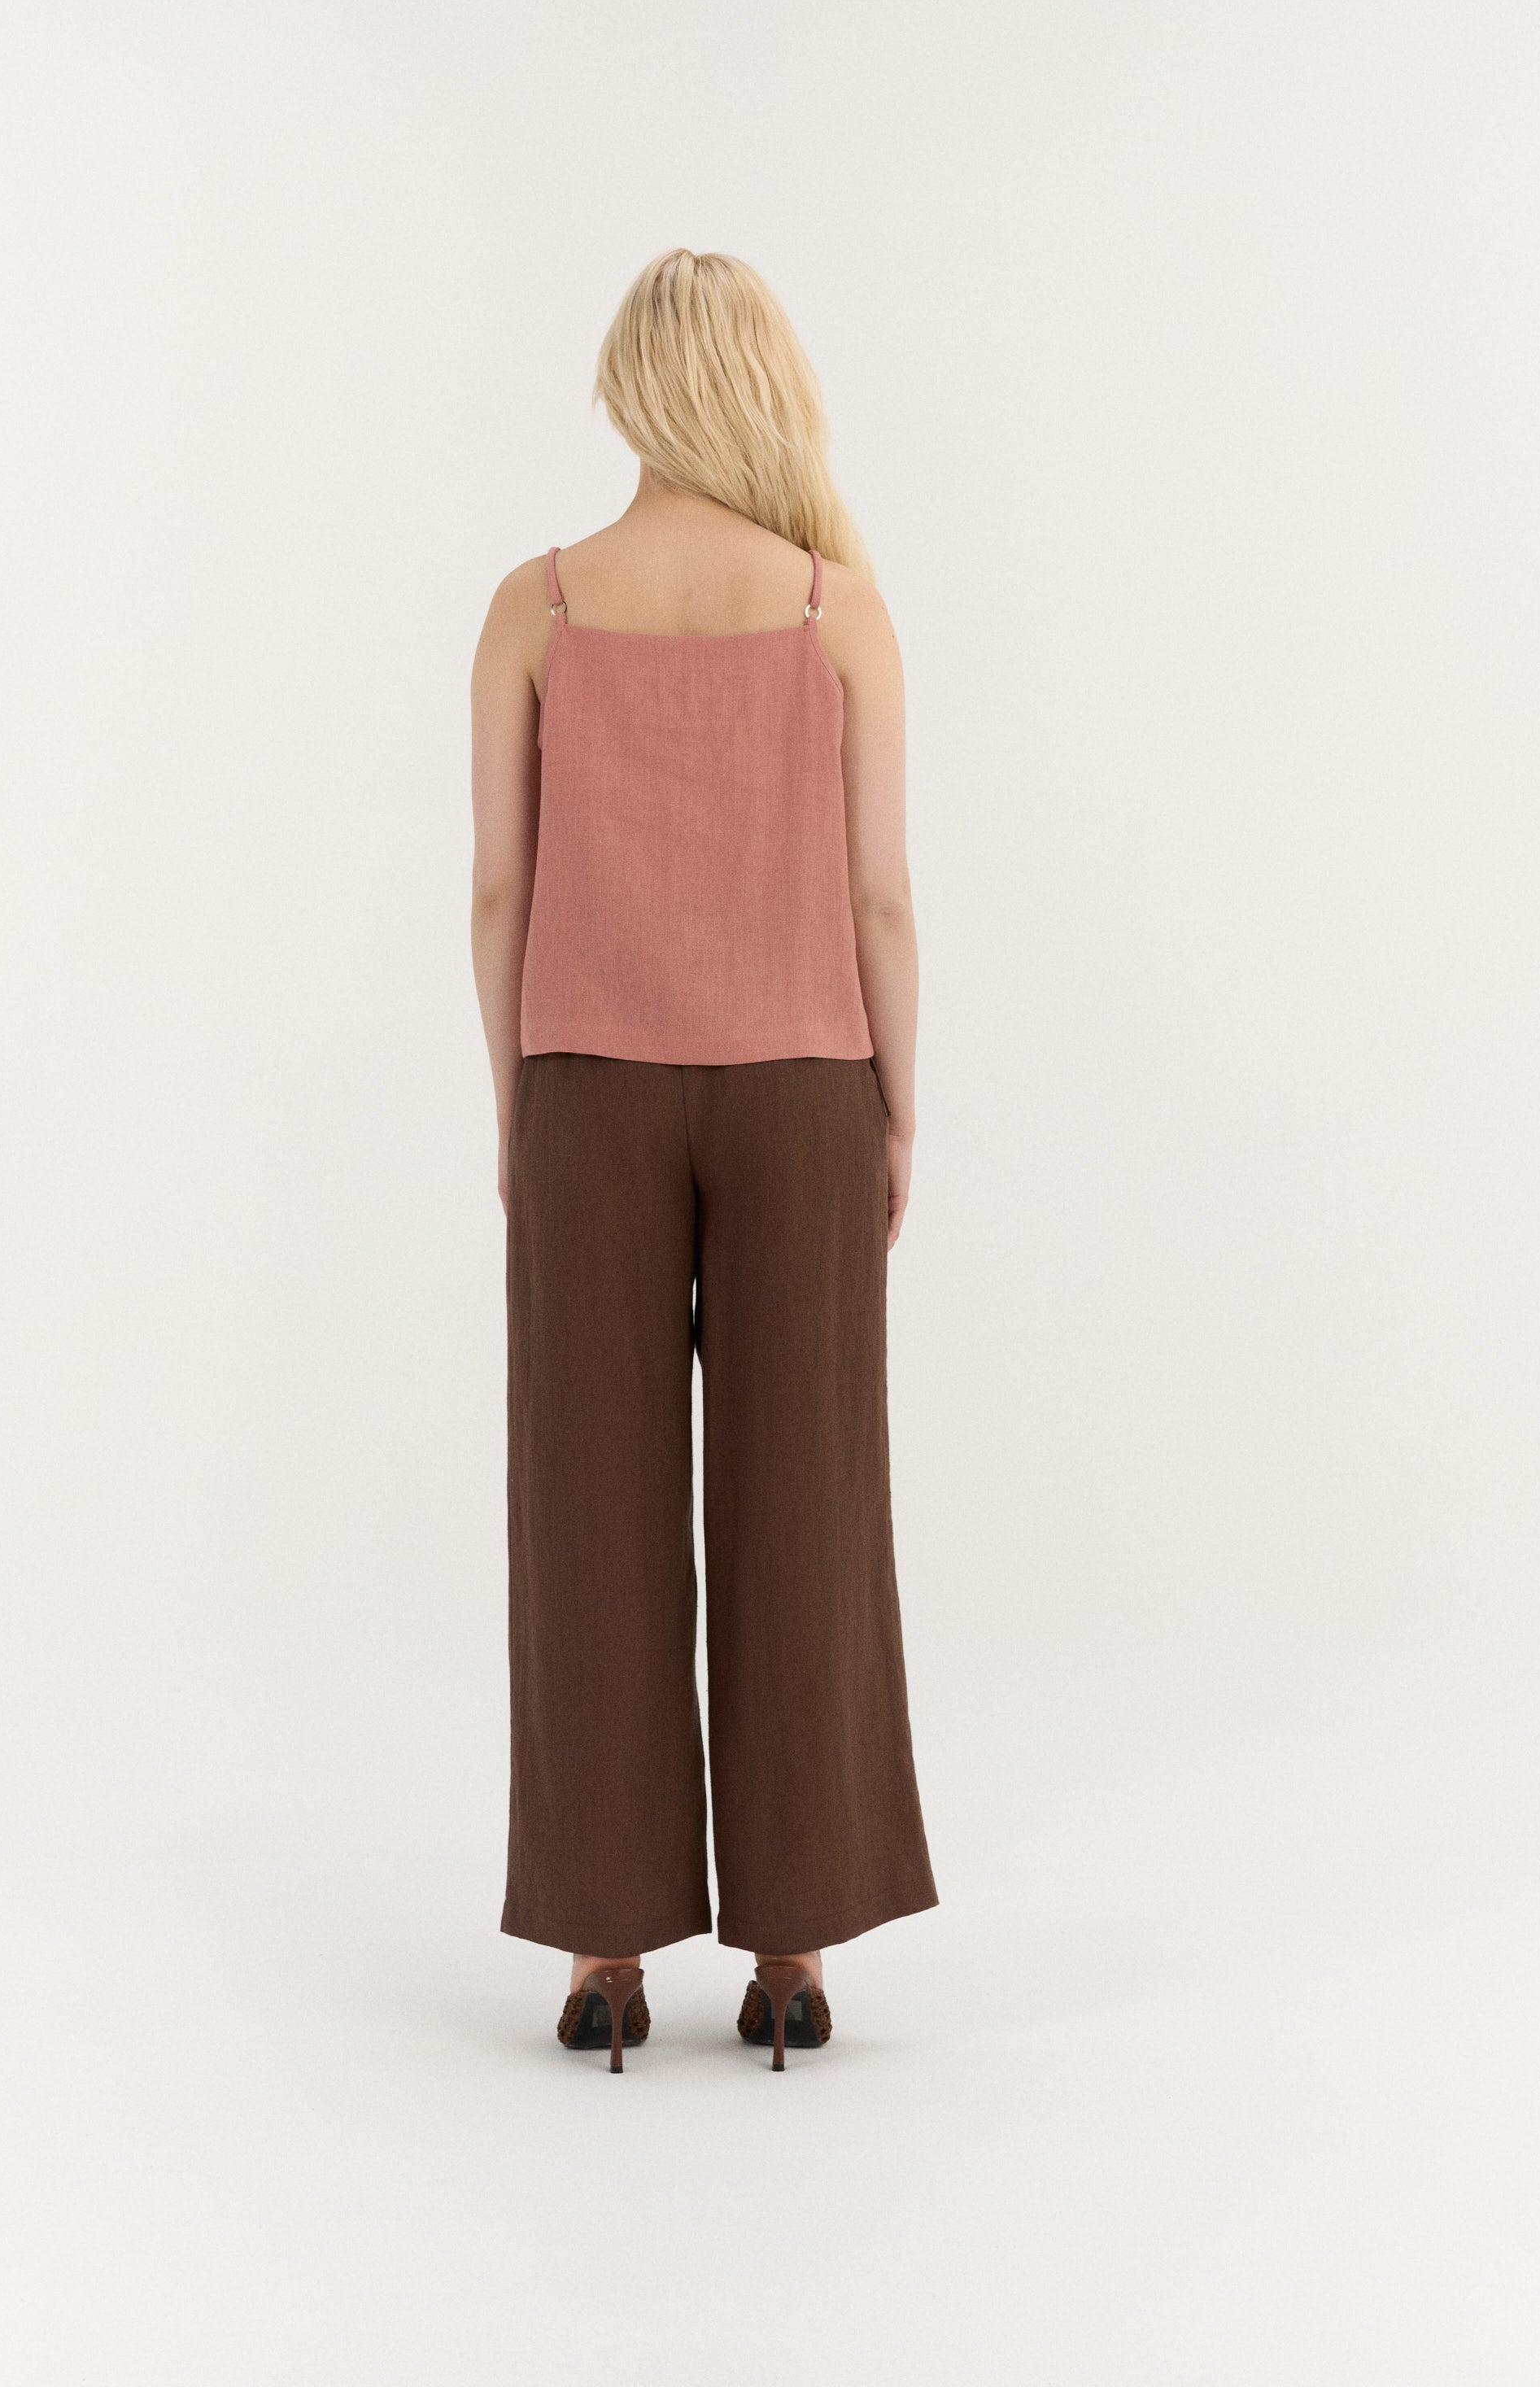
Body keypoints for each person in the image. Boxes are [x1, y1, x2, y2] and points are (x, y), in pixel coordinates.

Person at [469, 247, 936, 2075]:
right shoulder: (836, 609)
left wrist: (512, 1106)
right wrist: (899, 1103)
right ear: (759, 385)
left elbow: (499, 889)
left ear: (627, 389)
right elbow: (880, 896)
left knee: (585, 1504)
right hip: (803, 1083)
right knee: (806, 1498)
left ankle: (605, 1951)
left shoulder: (535, 606)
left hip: (585, 1084)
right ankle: (794, 1947)